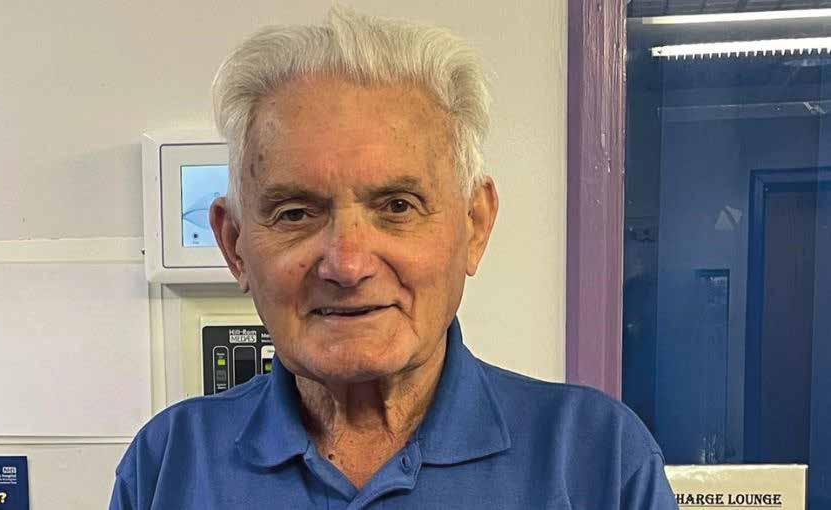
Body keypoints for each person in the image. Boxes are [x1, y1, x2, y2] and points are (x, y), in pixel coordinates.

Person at [110, 6, 679, 509]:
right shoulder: (167, 467)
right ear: (234, 244)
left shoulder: (598, 462)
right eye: (296, 213)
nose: (347, 264)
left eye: (398, 206)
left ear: (474, 225)